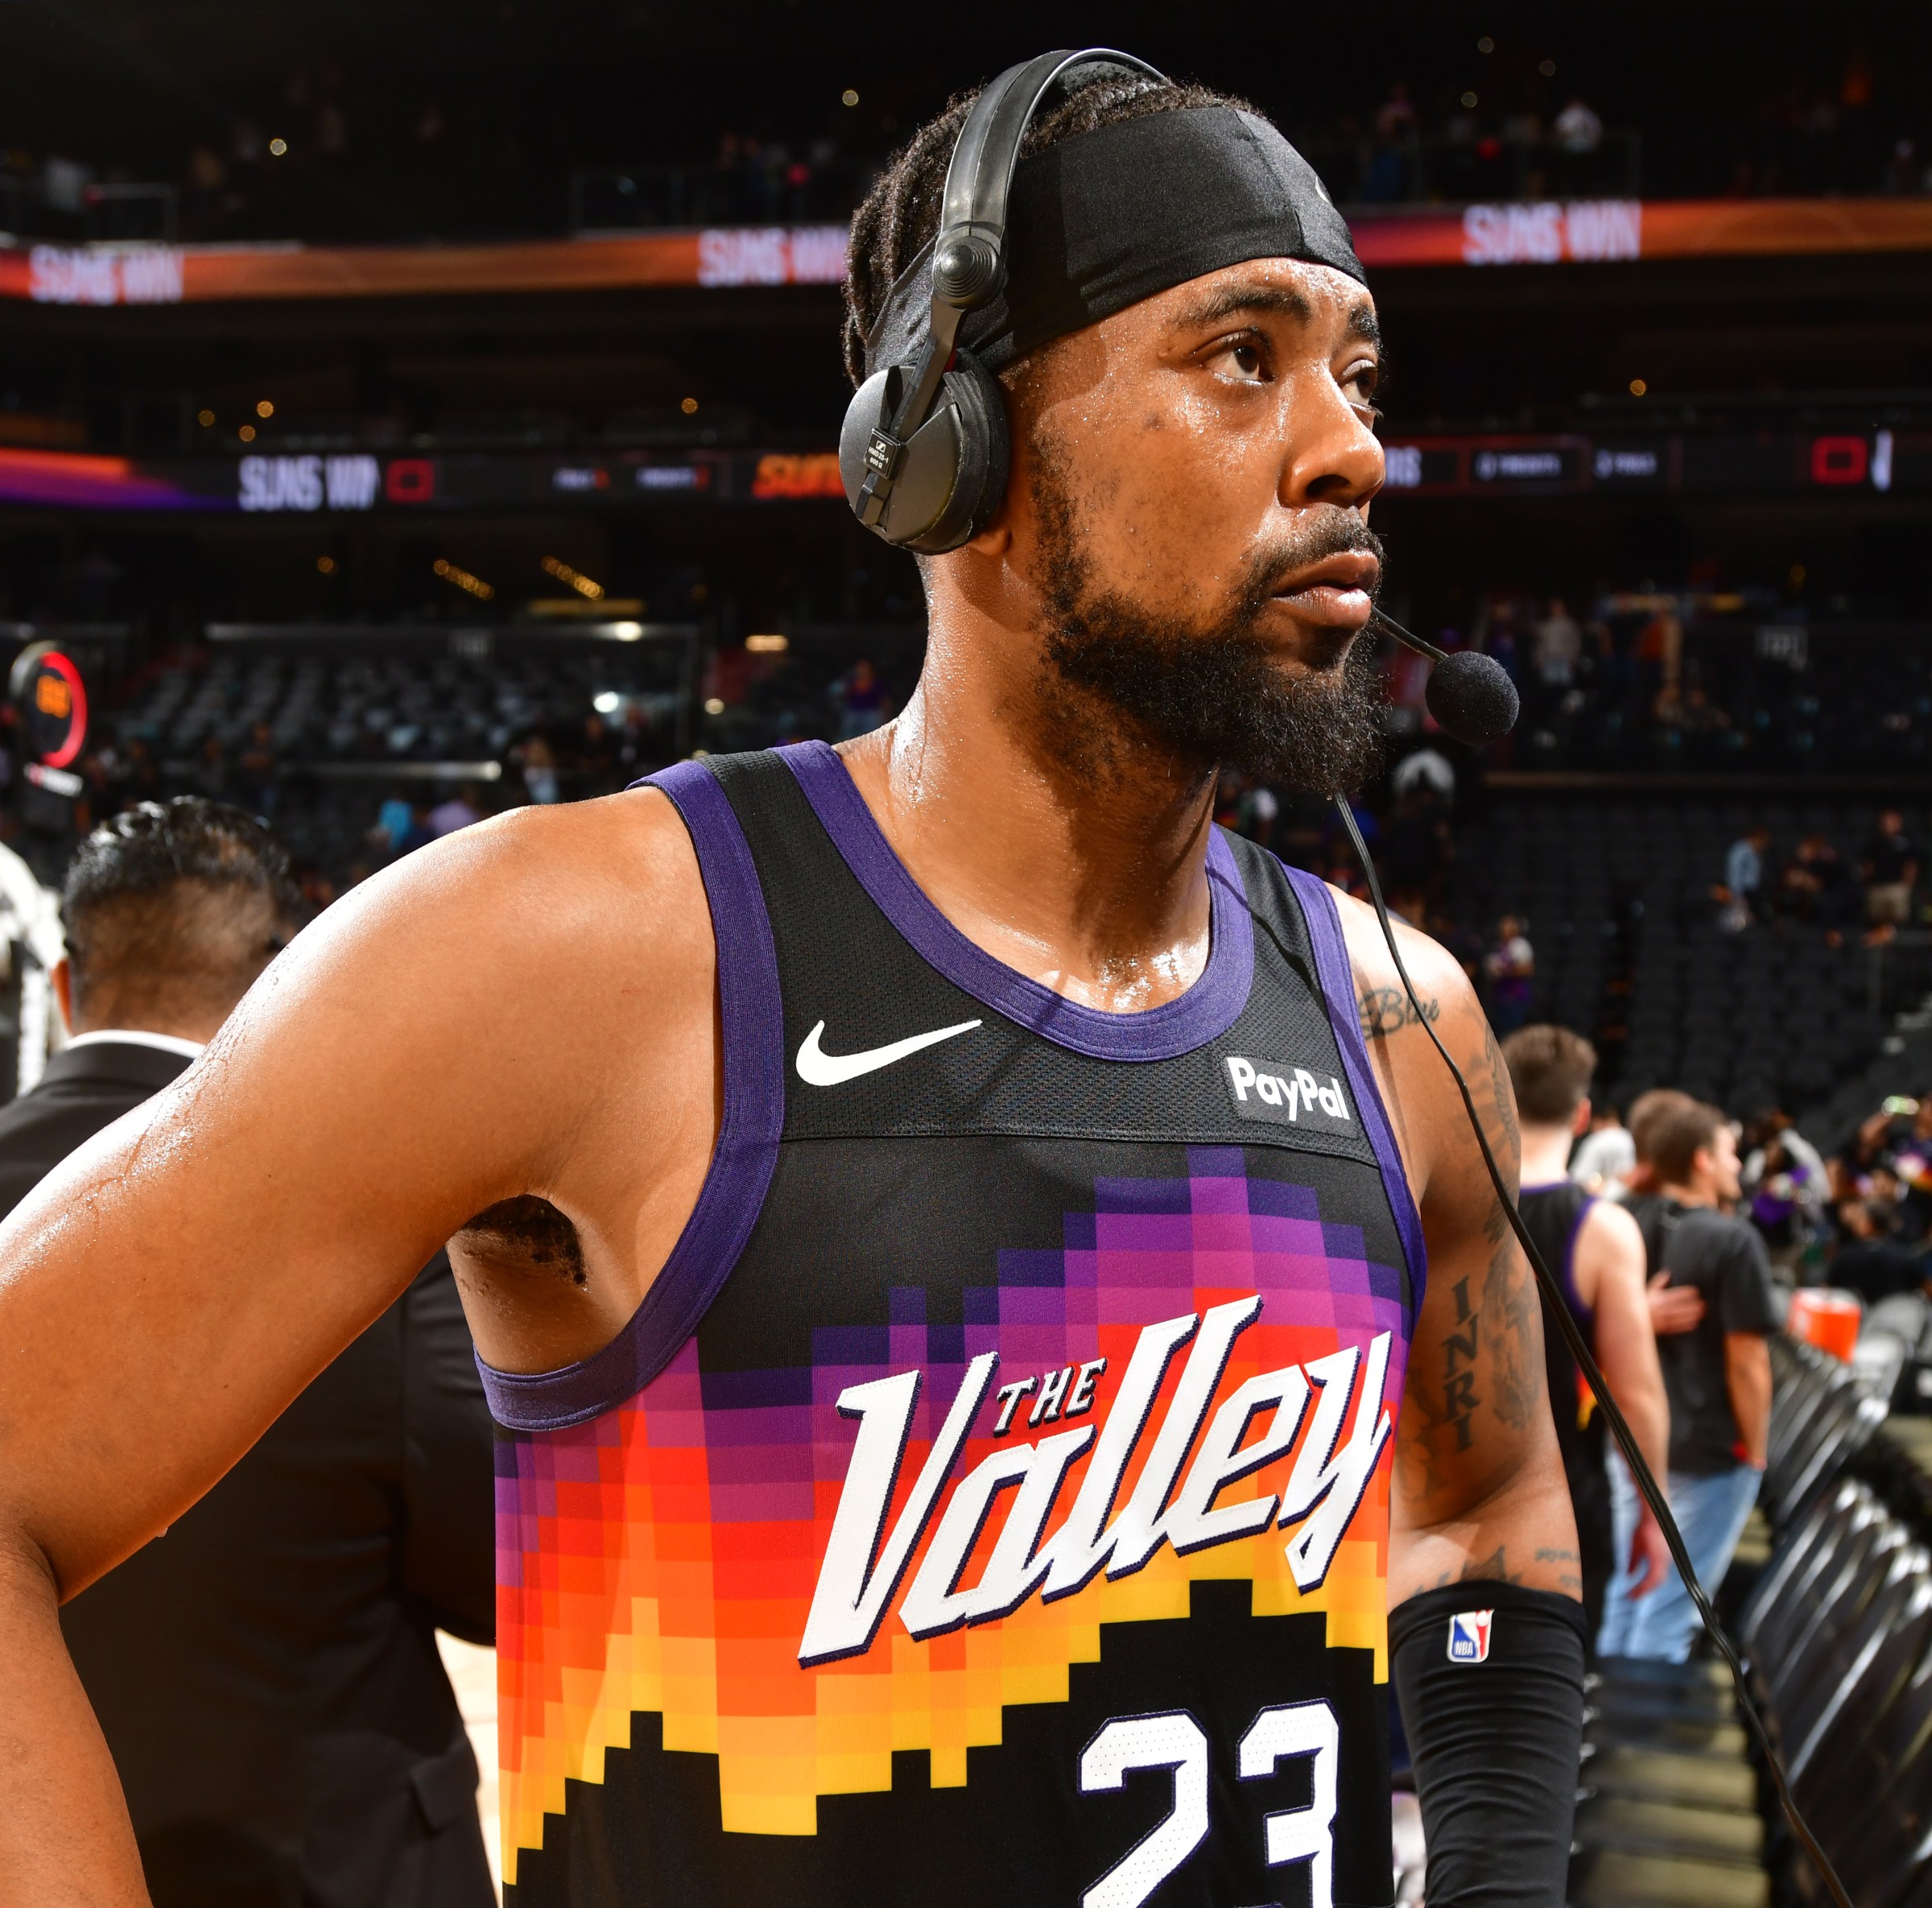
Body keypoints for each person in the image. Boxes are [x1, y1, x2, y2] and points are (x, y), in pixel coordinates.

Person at [0, 59, 1585, 1908]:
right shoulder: (576, 950)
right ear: (954, 442)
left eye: (1357, 374)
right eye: (1242, 357)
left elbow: (1485, 1508)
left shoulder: (1405, 1023)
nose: (1348, 448)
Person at [0, 798, 497, 1908]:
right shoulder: (372, 1200)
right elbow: (493, 1575)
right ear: (288, 981)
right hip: (329, 1866)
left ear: (67, 988)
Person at [1502, 1026, 1671, 1639]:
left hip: (1438, 1506)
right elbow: (1637, 1396)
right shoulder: (1604, 1230)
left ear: (1498, 1096)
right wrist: (1654, 1514)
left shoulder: (1438, 1205)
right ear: (1582, 1115)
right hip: (1560, 1508)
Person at [1598, 1097, 1777, 1661]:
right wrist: (1756, 1452)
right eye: (1729, 1151)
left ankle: (1603, 1706)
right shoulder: (1733, 1239)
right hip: (1705, 1450)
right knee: (1671, 1612)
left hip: (1628, 1438)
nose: (1736, 1163)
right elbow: (1747, 1362)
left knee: (1629, 1588)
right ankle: (1638, 1717)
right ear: (1702, 1160)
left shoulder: (1619, 1219)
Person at [1862, 806, 1919, 927]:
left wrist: (1907, 887)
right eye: (1885, 821)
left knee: (1899, 920)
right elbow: (1868, 865)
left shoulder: (1906, 842)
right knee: (1876, 921)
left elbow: (1911, 866)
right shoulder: (1874, 842)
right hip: (1877, 887)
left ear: (1899, 823)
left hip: (1897, 887)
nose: (1888, 824)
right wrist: (1868, 883)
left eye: (1892, 821)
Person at [1570, 1100, 1636, 1193]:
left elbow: (1578, 1182)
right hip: (1630, 1196)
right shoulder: (1631, 1139)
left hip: (1601, 1198)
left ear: (1597, 1120)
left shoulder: (1597, 1140)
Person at [1484, 913, 1535, 1031]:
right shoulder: (1499, 947)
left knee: (1513, 1031)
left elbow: (1528, 969)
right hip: (1501, 997)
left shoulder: (1520, 945)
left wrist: (1506, 971)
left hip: (1515, 997)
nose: (1503, 929)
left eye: (1507, 926)